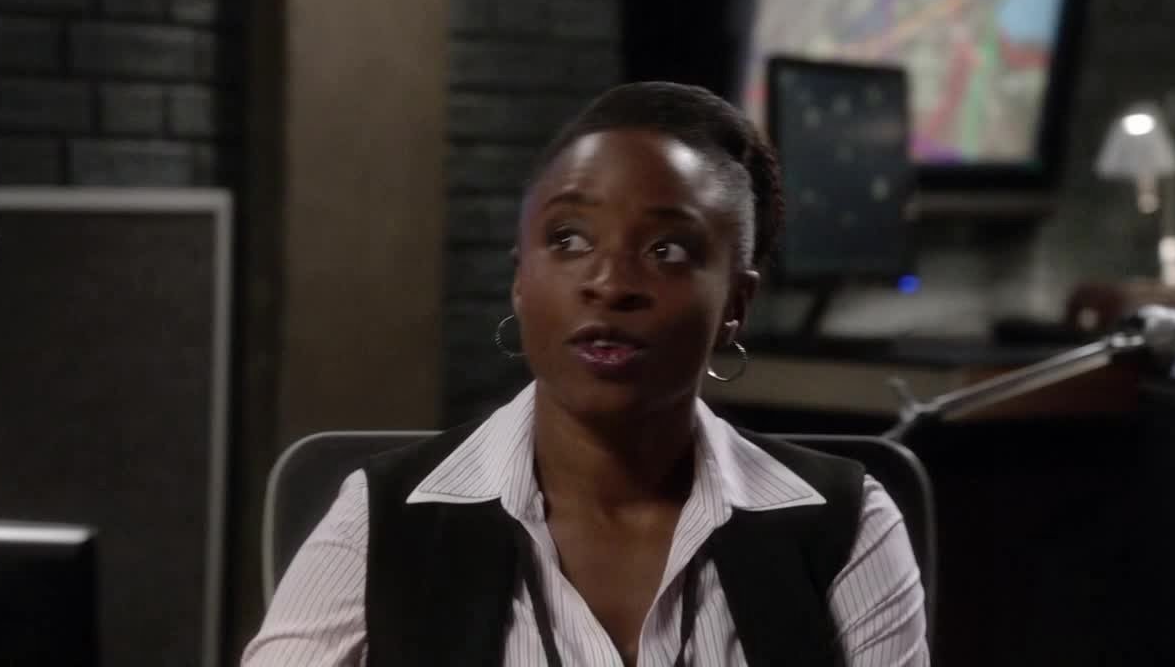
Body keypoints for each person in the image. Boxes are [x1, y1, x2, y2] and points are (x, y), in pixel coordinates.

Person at [243, 82, 929, 666]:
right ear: (520, 280)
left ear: (735, 306)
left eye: (666, 250)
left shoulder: (845, 526)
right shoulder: (384, 520)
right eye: (568, 239)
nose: (608, 282)